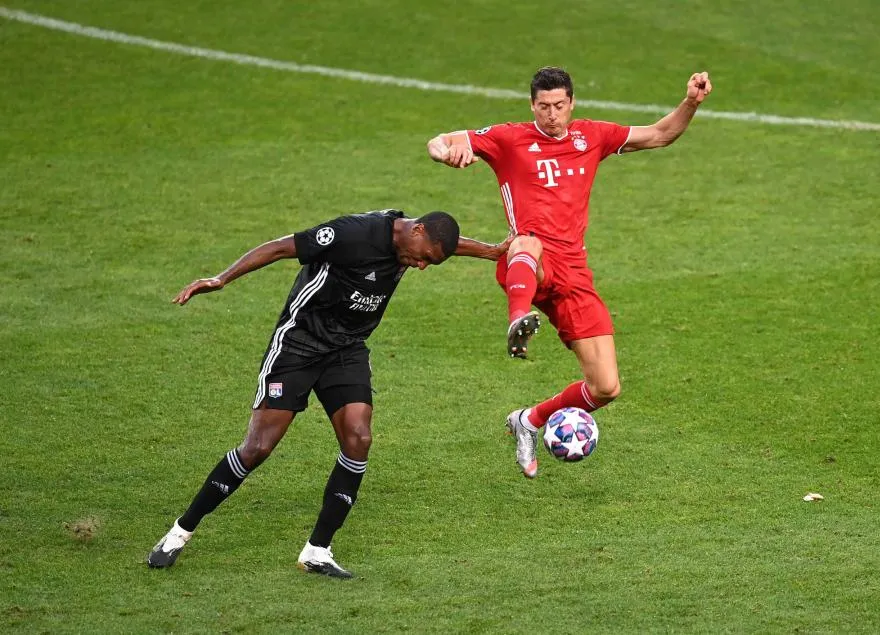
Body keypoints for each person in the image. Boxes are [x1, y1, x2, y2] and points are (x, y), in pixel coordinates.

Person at [147, 209, 507, 578]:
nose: (421, 266)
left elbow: (449, 241)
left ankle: (318, 550)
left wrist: (493, 251)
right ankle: (180, 531)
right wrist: (221, 279)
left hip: (346, 349)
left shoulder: (418, 239)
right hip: (299, 344)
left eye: (431, 262)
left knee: (358, 437)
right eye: (424, 257)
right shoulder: (352, 234)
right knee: (258, 447)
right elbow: (279, 248)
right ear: (415, 232)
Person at [426, 67, 713, 478]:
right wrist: (447, 152)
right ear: (532, 106)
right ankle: (518, 320)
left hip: (575, 273)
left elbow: (660, 134)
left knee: (606, 387)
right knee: (526, 241)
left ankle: (528, 419)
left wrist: (690, 102)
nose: (552, 115)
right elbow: (440, 141)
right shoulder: (509, 138)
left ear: (572, 103)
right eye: (543, 107)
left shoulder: (591, 136)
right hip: (529, 264)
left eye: (559, 106)